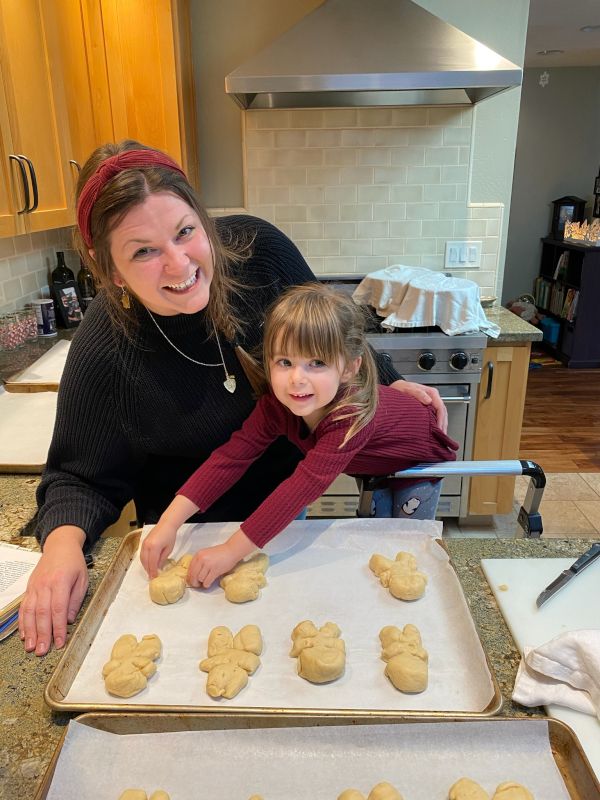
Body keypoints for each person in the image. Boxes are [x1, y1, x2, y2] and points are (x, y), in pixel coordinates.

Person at [19, 140, 447, 657]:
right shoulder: (107, 347)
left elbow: (332, 336)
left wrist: (388, 382)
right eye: (143, 251)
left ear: (203, 219)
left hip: (283, 518)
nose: (179, 264)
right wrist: (62, 545)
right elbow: (77, 475)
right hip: (184, 538)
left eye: (185, 232)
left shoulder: (259, 252)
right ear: (107, 268)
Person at [141, 283, 458, 590]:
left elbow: (299, 489)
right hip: (375, 463)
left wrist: (230, 551)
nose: (297, 379)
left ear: (349, 368)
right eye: (285, 362)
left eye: (316, 363)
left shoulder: (352, 417)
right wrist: (168, 524)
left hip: (418, 464)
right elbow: (230, 458)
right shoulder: (275, 407)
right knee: (377, 533)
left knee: (405, 546)